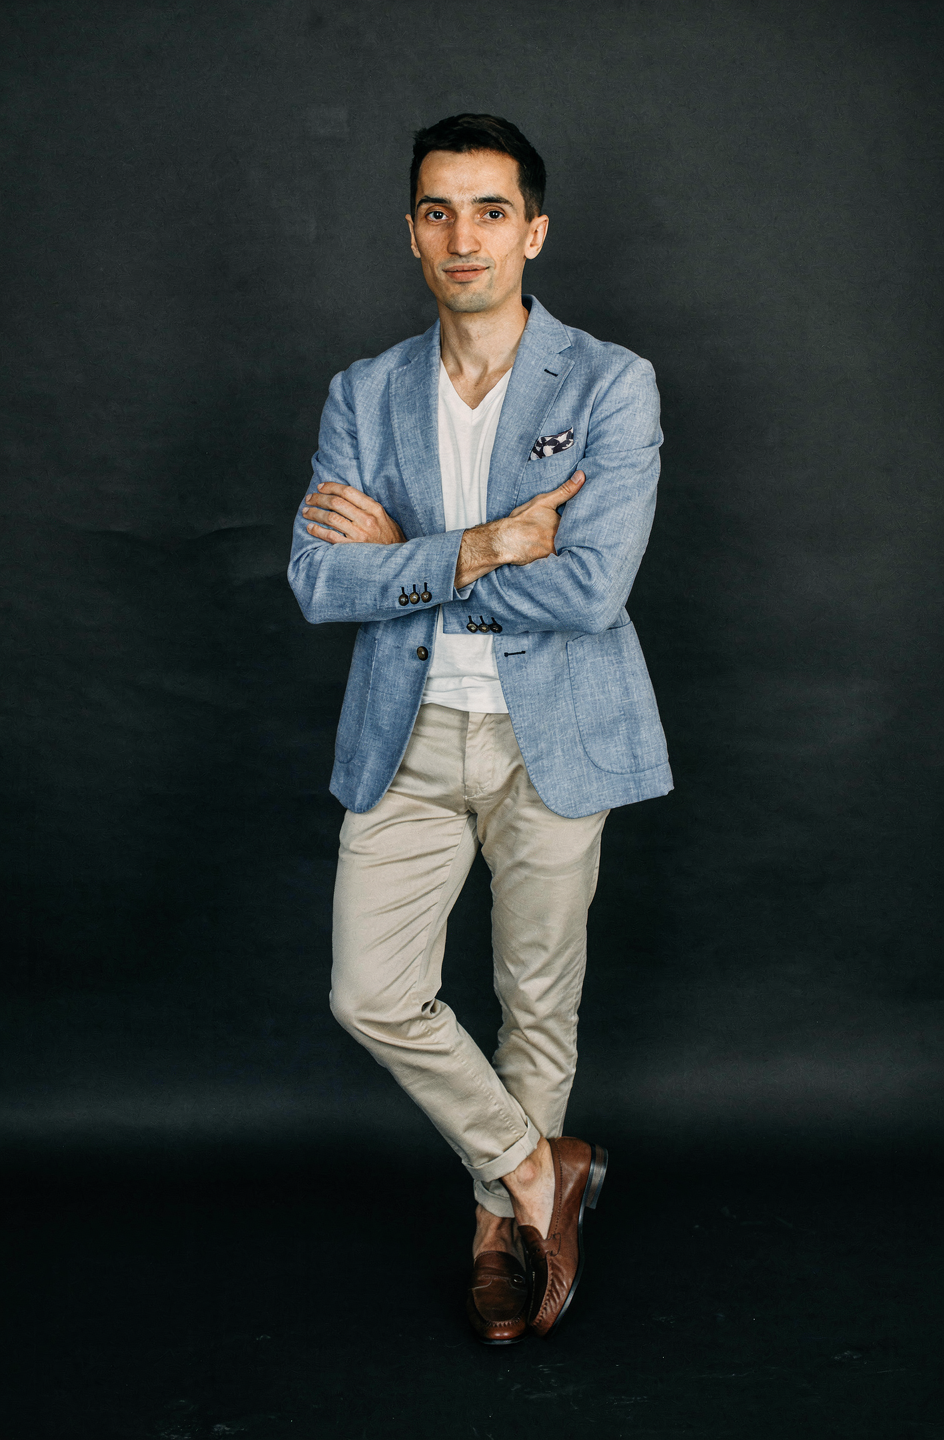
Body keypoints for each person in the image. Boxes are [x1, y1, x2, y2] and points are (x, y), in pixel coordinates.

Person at [288, 113, 671, 1343]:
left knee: (533, 1002)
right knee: (371, 990)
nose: (465, 237)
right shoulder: (364, 391)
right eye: (438, 212)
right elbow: (313, 582)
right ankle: (530, 1170)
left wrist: (406, 560)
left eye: (490, 210)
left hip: (552, 733)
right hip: (404, 734)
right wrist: (484, 543)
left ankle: (494, 1239)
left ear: (533, 231)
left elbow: (588, 588)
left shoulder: (609, 382)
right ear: (410, 235)